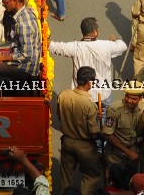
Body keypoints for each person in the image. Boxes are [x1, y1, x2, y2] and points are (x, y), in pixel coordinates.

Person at [57, 66, 103, 195]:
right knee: (90, 177)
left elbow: (60, 117)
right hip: (85, 145)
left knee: (66, 177)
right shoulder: (89, 105)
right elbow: (93, 133)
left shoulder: (63, 95)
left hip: (66, 141)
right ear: (89, 82)